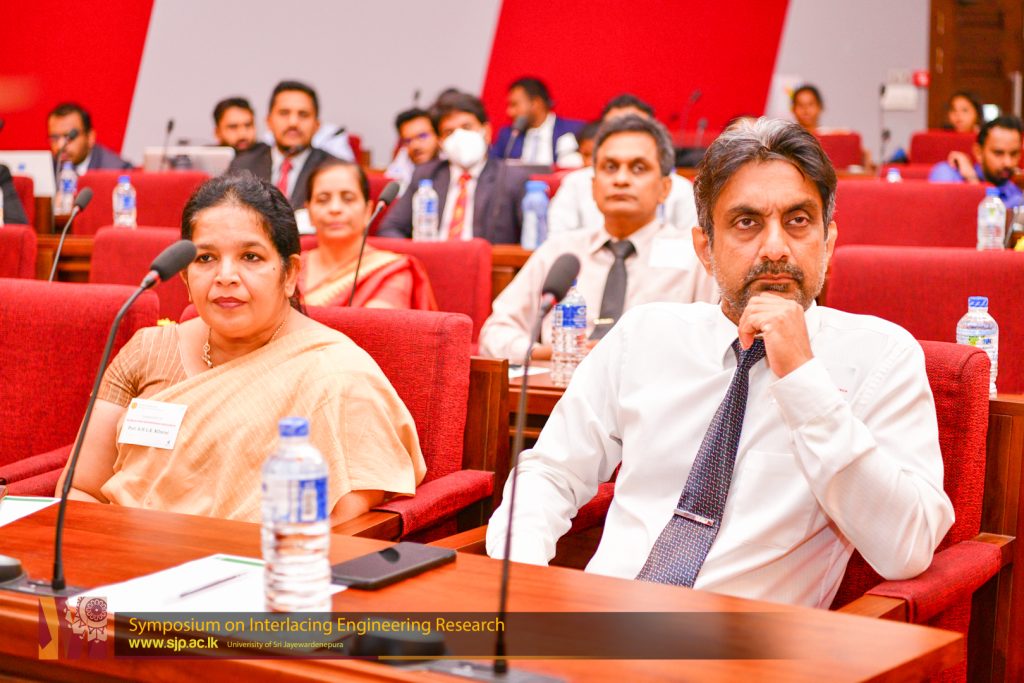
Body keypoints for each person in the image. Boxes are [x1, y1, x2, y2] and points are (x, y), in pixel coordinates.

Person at [486, 117, 954, 608]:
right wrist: (521, 583)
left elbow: (907, 549)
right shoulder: (643, 336)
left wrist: (804, 381)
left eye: (798, 221)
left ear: (828, 242)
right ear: (705, 250)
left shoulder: (881, 356)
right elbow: (550, 472)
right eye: (747, 223)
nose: (775, 248)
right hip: (599, 622)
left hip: (748, 642)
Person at [56, 172, 427, 524]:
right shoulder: (148, 351)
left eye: (251, 257)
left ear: (290, 274)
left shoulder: (337, 375)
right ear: (184, 276)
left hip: (254, 564)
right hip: (119, 555)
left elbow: (341, 526)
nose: (226, 276)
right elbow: (79, 489)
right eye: (205, 258)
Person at [479, 115, 717, 362]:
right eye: (610, 167)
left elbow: (715, 342)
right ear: (593, 185)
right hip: (561, 380)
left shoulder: (695, 257)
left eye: (638, 168)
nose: (621, 180)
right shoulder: (561, 251)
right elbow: (495, 333)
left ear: (665, 187)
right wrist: (549, 353)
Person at [378, 92, 528, 244]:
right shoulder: (426, 175)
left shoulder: (511, 178)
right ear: (441, 142)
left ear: (486, 132)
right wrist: (416, 253)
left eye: (467, 127)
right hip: (433, 256)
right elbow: (389, 229)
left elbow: (531, 239)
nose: (459, 136)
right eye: (449, 132)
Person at [547, 94, 698, 236]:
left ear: (664, 188)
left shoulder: (681, 190)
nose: (621, 179)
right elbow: (558, 240)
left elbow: (690, 247)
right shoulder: (576, 183)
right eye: (615, 130)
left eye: (636, 129)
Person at [302, 160, 438, 309]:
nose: (335, 208)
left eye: (348, 199)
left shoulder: (389, 270)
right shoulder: (292, 268)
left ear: (368, 211)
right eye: (323, 200)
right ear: (309, 212)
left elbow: (377, 322)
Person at [228, 81, 337, 209]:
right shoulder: (242, 166)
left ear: (317, 125)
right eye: (284, 113)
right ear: (269, 121)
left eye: (303, 114)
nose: (293, 123)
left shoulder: (333, 170)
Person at [929, 115, 1023, 209]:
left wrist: (973, 180)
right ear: (978, 153)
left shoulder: (1017, 196)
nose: (1007, 163)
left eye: (1014, 154)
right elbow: (946, 213)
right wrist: (972, 181)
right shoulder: (948, 174)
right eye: (998, 153)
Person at [492, 77, 584, 167]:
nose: (509, 112)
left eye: (514, 105)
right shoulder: (509, 136)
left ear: (536, 103)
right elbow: (493, 168)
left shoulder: (575, 131)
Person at [47, 102, 131, 175]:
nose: (60, 145)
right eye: (54, 138)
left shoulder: (117, 171)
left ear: (90, 137)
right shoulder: (49, 168)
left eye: (70, 137)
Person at [384, 108, 441, 194]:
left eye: (422, 136)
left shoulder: (451, 158)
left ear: (438, 136)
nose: (415, 146)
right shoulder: (403, 159)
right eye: (408, 141)